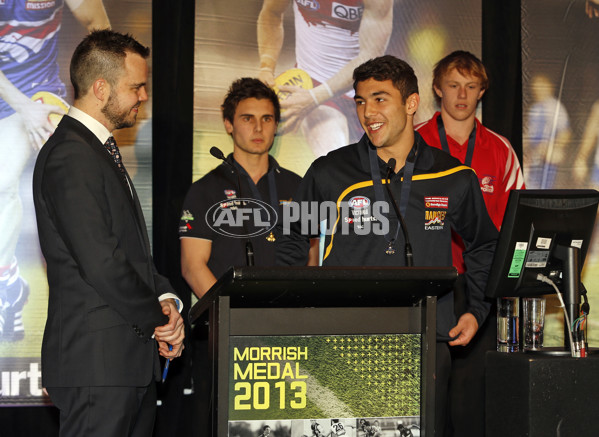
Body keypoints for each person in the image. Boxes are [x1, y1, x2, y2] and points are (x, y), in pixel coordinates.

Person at [276, 55, 498, 437]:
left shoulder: (453, 177)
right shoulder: (331, 171)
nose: (368, 112)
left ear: (412, 104)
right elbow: (293, 241)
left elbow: (483, 245)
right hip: (344, 342)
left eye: (380, 99)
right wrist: (297, 316)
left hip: (425, 342)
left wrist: (477, 309)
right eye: (360, 101)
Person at [32, 29, 184, 436]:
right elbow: (102, 262)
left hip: (123, 364)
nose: (144, 96)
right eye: (136, 86)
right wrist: (158, 319)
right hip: (96, 366)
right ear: (101, 88)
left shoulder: (97, 150)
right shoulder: (71, 155)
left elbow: (131, 253)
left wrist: (167, 300)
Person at [178, 77, 302, 435]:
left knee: (286, 426)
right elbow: (192, 266)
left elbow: (310, 258)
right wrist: (234, 319)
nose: (258, 127)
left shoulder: (297, 186)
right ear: (229, 125)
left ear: (276, 125)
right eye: (248, 118)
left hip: (286, 337)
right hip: (223, 334)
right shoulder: (204, 191)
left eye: (266, 119)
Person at [415, 50, 525, 436]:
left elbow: (517, 224)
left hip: (481, 285)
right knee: (423, 393)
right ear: (436, 89)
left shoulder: (500, 149)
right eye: (453, 85)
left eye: (471, 86)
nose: (462, 95)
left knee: (471, 398)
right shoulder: (413, 144)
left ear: (482, 92)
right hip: (425, 283)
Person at [0, 0, 110, 342]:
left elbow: (100, 28)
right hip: (16, 101)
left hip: (37, 97)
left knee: (3, 179)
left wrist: (95, 101)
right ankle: (11, 284)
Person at [257, 0, 393, 157]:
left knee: (372, 177)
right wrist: (266, 67)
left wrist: (316, 96)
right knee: (335, 162)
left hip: (364, 90)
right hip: (311, 83)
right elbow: (271, 13)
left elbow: (370, 58)